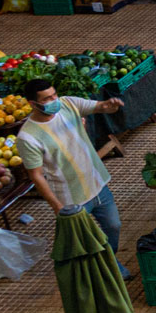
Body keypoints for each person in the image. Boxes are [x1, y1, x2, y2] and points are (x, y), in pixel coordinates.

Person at [20, 79, 129, 264]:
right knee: (86, 242)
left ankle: (110, 262)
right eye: (47, 99)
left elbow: (101, 107)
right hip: (70, 198)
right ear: (33, 103)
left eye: (54, 95)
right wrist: (57, 206)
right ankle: (108, 269)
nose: (54, 100)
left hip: (97, 184)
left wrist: (110, 105)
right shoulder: (28, 137)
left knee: (114, 226)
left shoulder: (68, 104)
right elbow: (36, 175)